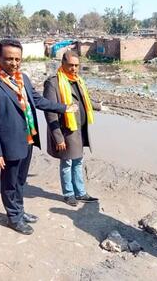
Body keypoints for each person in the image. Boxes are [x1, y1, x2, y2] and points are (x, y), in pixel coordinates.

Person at [0, 38, 78, 235]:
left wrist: (64, 108)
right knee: (9, 182)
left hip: (28, 140)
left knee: (21, 180)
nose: (14, 63)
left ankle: (20, 211)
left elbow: (38, 101)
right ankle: (13, 218)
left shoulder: (23, 78)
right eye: (9, 59)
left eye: (17, 59)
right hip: (8, 143)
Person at [43, 51, 106, 206]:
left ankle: (81, 192)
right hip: (66, 131)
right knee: (67, 163)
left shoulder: (77, 80)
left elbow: (85, 100)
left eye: (76, 65)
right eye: (70, 65)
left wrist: (98, 106)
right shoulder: (53, 83)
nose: (74, 68)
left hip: (79, 129)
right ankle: (69, 194)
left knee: (78, 161)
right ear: (62, 64)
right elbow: (50, 112)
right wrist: (58, 137)